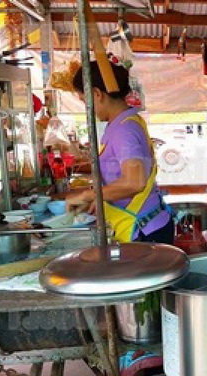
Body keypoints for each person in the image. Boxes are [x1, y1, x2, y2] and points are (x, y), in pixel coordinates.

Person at [66, 61, 174, 245]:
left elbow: (135, 182)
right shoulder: (120, 123)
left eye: (84, 101)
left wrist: (88, 195)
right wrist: (100, 200)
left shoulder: (125, 130)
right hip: (139, 223)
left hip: (145, 231)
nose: (86, 108)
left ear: (96, 94)